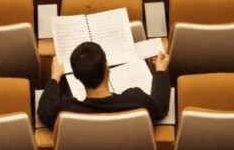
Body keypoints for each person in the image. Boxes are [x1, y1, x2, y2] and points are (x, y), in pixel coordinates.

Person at [37, 41, 171, 128]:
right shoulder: (137, 100)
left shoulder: (67, 110)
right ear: (107, 68)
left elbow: (43, 111)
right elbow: (160, 106)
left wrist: (55, 77)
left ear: (76, 76)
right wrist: (160, 70)